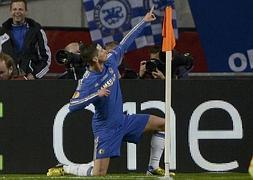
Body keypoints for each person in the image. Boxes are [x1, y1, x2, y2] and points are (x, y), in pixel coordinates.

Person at [47, 8, 170, 177]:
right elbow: (72, 105)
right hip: (105, 129)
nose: (107, 51)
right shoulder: (88, 81)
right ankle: (65, 168)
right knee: (99, 174)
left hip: (123, 120)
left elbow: (125, 43)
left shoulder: (110, 61)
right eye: (102, 50)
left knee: (165, 123)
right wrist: (95, 95)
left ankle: (152, 168)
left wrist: (144, 21)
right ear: (96, 59)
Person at [0, 0, 51, 80]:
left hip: (31, 82)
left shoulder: (37, 31)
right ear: (10, 11)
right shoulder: (2, 32)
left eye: (20, 9)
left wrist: (34, 75)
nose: (17, 12)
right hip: (8, 82)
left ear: (26, 11)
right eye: (14, 9)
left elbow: (46, 59)